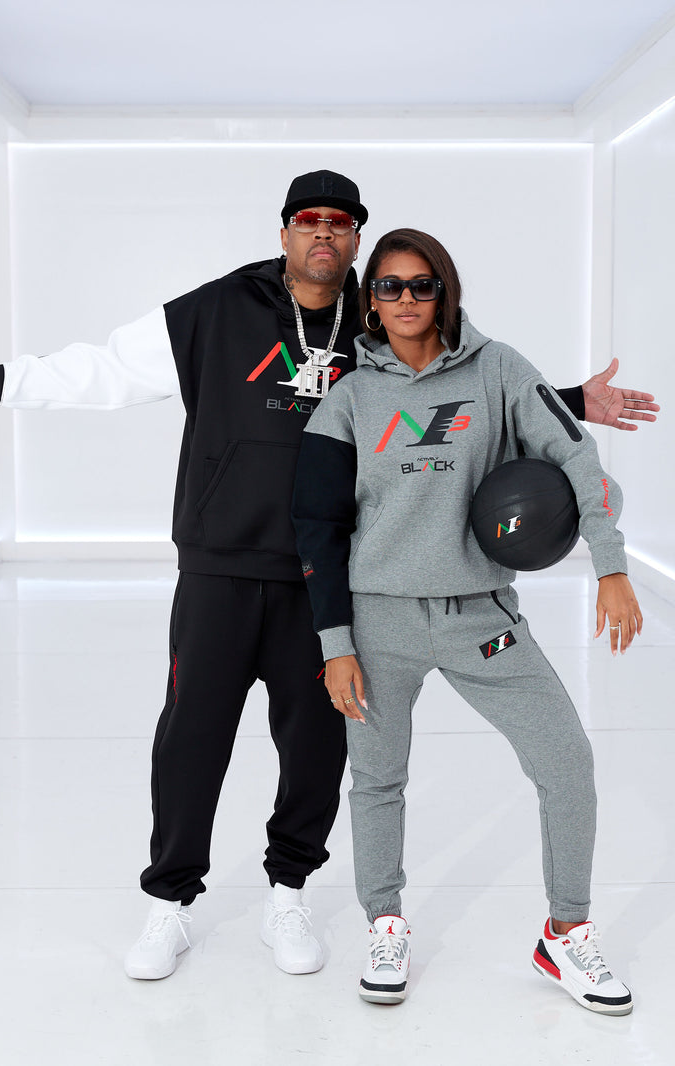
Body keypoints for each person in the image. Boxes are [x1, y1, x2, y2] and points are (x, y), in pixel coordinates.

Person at [0, 174, 657, 986]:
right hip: (221, 563)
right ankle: (170, 901)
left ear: (356, 238)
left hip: (330, 580)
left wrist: (566, 403)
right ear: (285, 231)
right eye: (308, 220)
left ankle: (288, 893)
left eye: (341, 222)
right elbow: (108, 370)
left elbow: (448, 394)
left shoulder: (377, 317)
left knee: (318, 748)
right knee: (192, 738)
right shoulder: (220, 310)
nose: (324, 232)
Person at [291, 227, 641, 1015]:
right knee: (377, 780)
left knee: (566, 762)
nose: (406, 299)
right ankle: (385, 924)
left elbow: (576, 457)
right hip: (378, 622)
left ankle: (566, 934)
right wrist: (336, 643)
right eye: (389, 286)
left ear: (444, 292)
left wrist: (610, 564)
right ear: (370, 301)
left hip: (482, 618)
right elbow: (317, 526)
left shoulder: (500, 370)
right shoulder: (349, 398)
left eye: (423, 284)